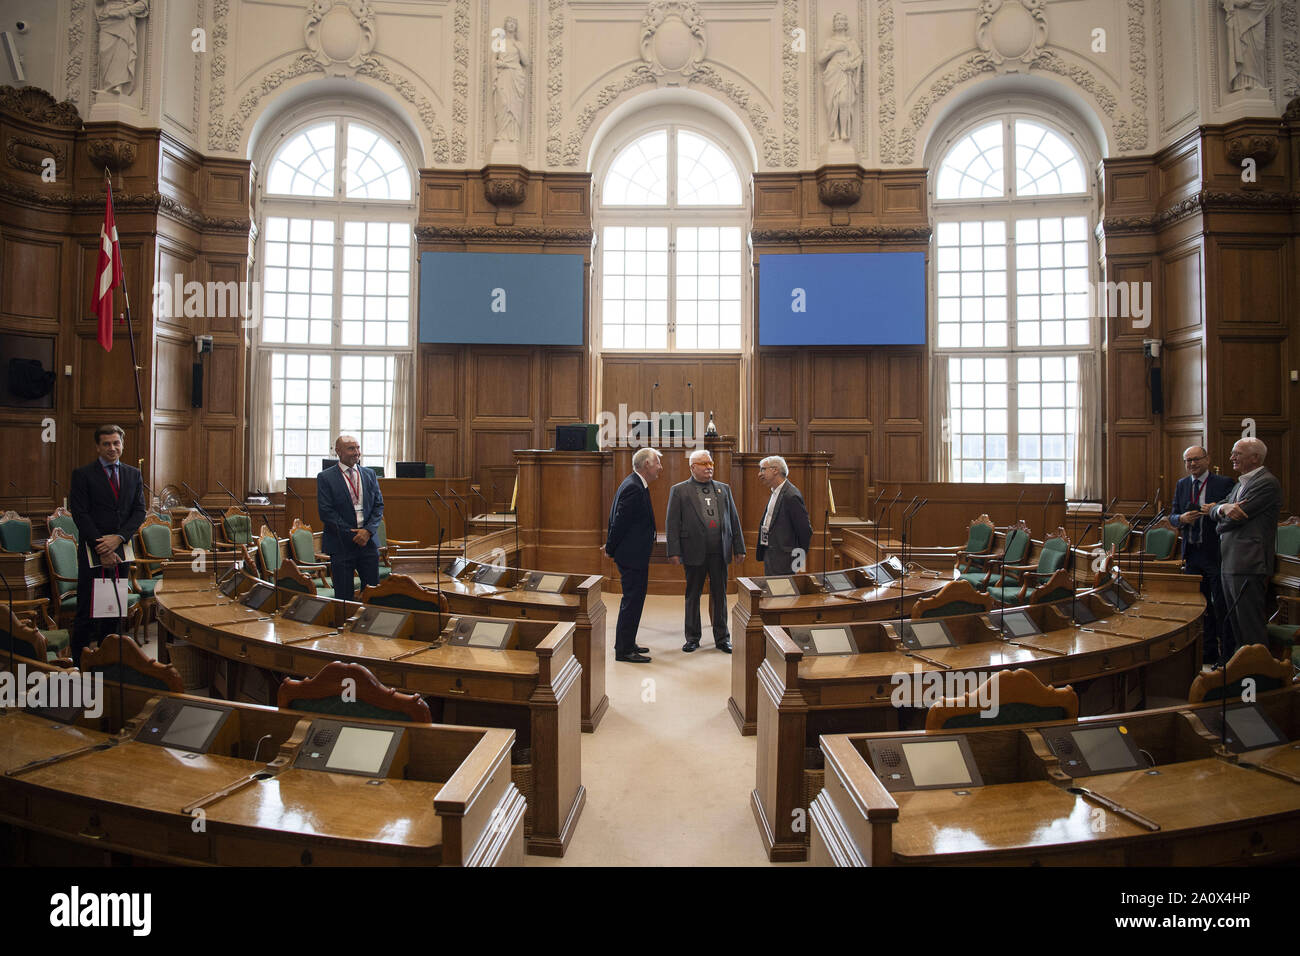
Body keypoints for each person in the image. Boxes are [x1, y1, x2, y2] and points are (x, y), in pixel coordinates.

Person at [69, 425, 146, 659]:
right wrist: (101, 545)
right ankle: (78, 663)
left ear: (122, 445)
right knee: (87, 610)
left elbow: (139, 511)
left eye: (116, 443)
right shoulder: (83, 474)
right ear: (97, 447)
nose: (112, 448)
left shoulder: (133, 474)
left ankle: (106, 662)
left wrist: (119, 538)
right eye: (106, 444)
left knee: (112, 609)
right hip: (93, 551)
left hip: (121, 550)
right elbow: (80, 513)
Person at [1206, 437, 1282, 656]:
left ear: (1255, 457)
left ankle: (1260, 680)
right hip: (1231, 561)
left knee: (1250, 628)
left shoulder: (1266, 482)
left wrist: (1220, 516)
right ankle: (1243, 675)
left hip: (1250, 563)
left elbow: (1235, 519)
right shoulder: (1240, 483)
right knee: (1237, 627)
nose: (1232, 458)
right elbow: (1218, 511)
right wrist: (1223, 509)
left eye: (1237, 453)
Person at [665, 449, 745, 653]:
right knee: (693, 595)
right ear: (693, 467)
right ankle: (692, 637)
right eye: (704, 464)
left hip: (720, 552)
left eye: (711, 463)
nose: (709, 467)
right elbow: (672, 522)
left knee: (720, 595)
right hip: (694, 551)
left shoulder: (723, 489)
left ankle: (722, 638)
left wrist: (739, 547)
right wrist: (673, 550)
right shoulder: (680, 490)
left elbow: (733, 520)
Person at [1170, 445, 1236, 665]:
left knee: (1220, 605)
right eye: (1188, 461)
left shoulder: (1223, 483)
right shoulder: (1182, 484)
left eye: (1196, 459)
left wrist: (1216, 508)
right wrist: (1181, 519)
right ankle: (1207, 651)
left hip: (1215, 553)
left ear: (1207, 460)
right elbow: (1172, 515)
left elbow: (1232, 510)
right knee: (1200, 605)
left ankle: (1227, 652)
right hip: (1192, 552)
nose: (1192, 464)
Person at [604, 447, 663, 663]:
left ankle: (628, 642)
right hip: (631, 555)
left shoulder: (634, 483)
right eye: (657, 463)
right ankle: (624, 650)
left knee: (634, 600)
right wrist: (610, 548)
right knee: (632, 600)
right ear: (646, 464)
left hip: (633, 554)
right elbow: (619, 522)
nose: (660, 468)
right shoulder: (634, 487)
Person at [317, 434, 384, 602]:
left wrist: (367, 532)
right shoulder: (325, 477)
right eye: (351, 448)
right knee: (344, 598)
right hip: (341, 544)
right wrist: (354, 534)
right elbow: (326, 512)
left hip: (368, 544)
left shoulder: (369, 475)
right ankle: (344, 626)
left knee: (373, 594)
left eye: (358, 448)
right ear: (338, 451)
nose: (356, 452)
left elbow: (378, 506)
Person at [755, 455, 812, 576]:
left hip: (785, 559)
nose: (759, 474)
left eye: (763, 469)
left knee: (783, 593)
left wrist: (798, 560)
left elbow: (805, 530)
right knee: (773, 592)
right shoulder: (775, 491)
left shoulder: (791, 495)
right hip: (772, 554)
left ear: (775, 470)